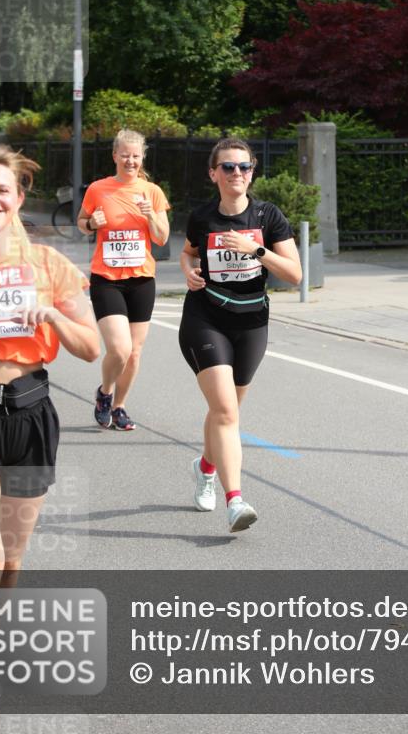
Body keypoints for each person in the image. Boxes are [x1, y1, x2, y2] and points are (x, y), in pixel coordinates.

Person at [0, 145, 99, 734]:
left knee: (8, 564)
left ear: (19, 198)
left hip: (30, 417)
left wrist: (50, 315)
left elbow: (91, 348)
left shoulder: (49, 264)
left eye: (2, 191)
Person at [179, 137, 302, 533]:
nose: (237, 174)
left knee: (226, 410)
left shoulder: (268, 216)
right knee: (227, 411)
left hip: (251, 323)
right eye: (228, 167)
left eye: (244, 167)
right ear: (213, 173)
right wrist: (188, 270)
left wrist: (256, 251)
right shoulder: (202, 217)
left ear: (253, 172)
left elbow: (296, 274)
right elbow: (187, 251)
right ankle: (236, 501)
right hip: (205, 319)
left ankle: (205, 467)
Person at [77, 129, 170, 431]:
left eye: (136, 155)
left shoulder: (152, 192)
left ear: (142, 157)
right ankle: (105, 393)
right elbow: (81, 223)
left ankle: (120, 406)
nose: (130, 160)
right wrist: (92, 223)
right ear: (114, 156)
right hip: (106, 278)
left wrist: (150, 216)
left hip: (141, 279)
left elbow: (162, 237)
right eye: (125, 155)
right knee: (119, 349)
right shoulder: (98, 189)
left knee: (135, 352)